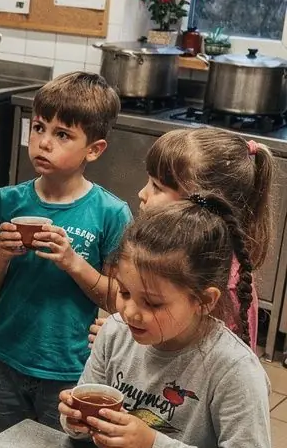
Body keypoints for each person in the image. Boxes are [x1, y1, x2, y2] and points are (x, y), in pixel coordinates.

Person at [60, 197, 271, 448]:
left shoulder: (232, 369)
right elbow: (84, 426)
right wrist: (76, 420)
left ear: (204, 300)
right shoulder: (116, 333)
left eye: (153, 303)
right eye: (124, 292)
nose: (130, 312)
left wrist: (151, 447)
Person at [0, 72, 131, 435]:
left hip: (70, 368)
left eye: (62, 135)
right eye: (39, 127)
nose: (44, 143)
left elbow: (118, 302)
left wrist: (73, 263)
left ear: (94, 149)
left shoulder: (111, 213)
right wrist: (2, 257)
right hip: (4, 360)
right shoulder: (9, 201)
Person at [90, 126, 274, 347]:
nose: (142, 193)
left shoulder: (221, 284)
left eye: (157, 187)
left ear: (203, 204)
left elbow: (189, 361)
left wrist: (125, 341)